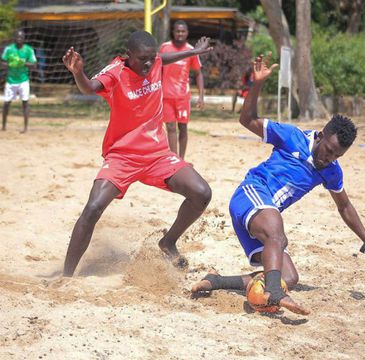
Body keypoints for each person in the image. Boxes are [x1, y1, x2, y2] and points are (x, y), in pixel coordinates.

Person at [192, 55, 365, 315]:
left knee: (289, 276)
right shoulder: (291, 137)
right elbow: (247, 120)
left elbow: (344, 207)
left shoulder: (331, 171)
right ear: (320, 136)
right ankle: (274, 294)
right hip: (249, 196)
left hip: (264, 220)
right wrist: (257, 83)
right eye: (328, 150)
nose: (328, 158)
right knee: (277, 231)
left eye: (336, 156)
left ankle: (218, 281)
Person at [61, 30, 213, 277]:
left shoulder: (155, 62)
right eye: (142, 58)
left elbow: (164, 58)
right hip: (122, 156)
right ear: (127, 55)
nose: (149, 63)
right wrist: (78, 72)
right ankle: (66, 276)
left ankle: (167, 242)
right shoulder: (115, 72)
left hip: (158, 155)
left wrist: (194, 52)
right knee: (93, 208)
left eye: (151, 58)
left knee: (202, 193)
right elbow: (89, 88)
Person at [160, 20, 204, 160]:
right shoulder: (164, 48)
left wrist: (201, 96)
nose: (180, 34)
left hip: (182, 97)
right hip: (165, 96)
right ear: (173, 32)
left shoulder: (191, 50)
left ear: (187, 33)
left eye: (183, 31)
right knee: (170, 127)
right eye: (177, 31)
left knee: (183, 128)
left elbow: (198, 73)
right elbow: (157, 69)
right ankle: (174, 159)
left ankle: (182, 159)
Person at [1, 29, 37, 133]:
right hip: (10, 80)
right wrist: (10, 64)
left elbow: (34, 65)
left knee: (25, 103)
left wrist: (22, 62)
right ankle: (3, 126)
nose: (19, 39)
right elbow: (2, 63)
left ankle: (25, 128)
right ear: (14, 38)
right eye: (17, 37)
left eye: (21, 37)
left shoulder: (29, 50)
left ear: (24, 39)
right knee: (6, 103)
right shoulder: (9, 49)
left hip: (23, 80)